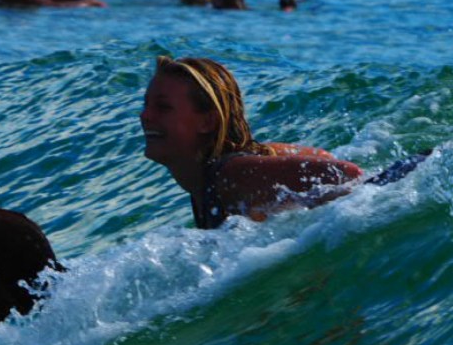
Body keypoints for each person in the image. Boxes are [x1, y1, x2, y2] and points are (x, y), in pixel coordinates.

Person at [140, 56, 363, 228]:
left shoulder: (231, 175)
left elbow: (345, 173)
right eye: (146, 104)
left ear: (207, 122)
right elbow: (323, 157)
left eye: (163, 107)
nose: (145, 116)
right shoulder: (206, 177)